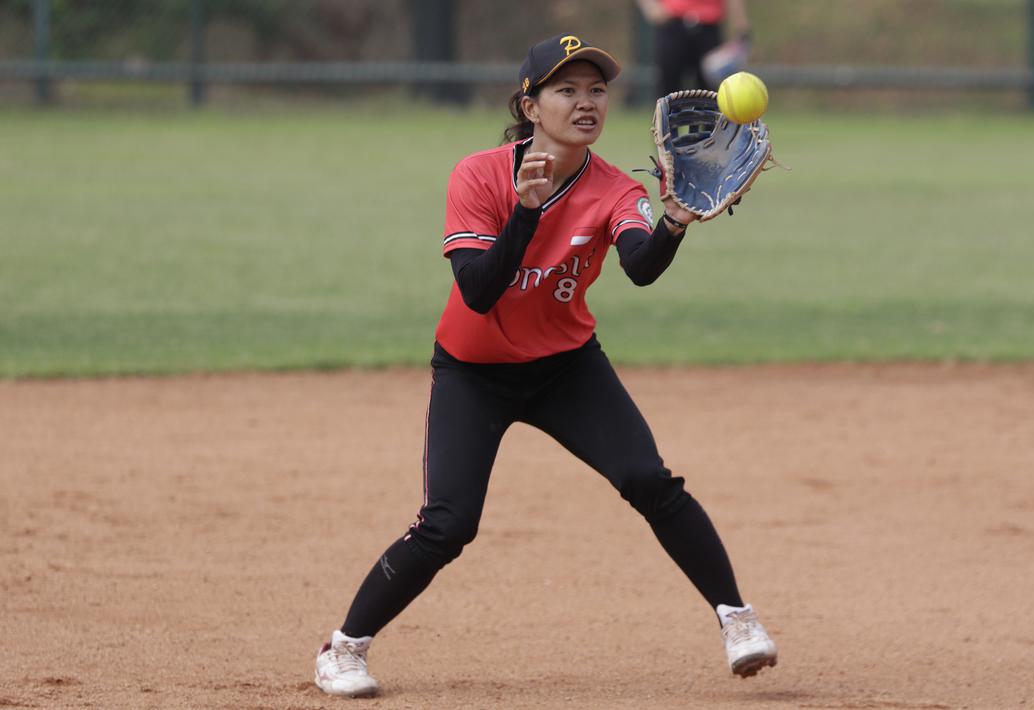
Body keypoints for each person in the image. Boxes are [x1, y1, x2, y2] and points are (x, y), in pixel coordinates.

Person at [312, 33, 778, 698]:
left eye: (596, 90)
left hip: (565, 369)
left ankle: (737, 618)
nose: (585, 102)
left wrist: (672, 222)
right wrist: (524, 217)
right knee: (448, 524)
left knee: (648, 479)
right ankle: (343, 648)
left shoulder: (616, 188)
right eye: (566, 90)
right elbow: (477, 288)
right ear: (530, 105)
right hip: (473, 372)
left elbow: (640, 268)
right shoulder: (478, 174)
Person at [636, 0, 750, 98]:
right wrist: (650, 7)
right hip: (672, 23)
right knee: (667, 94)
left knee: (710, 96)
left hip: (708, 26)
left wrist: (740, 25)